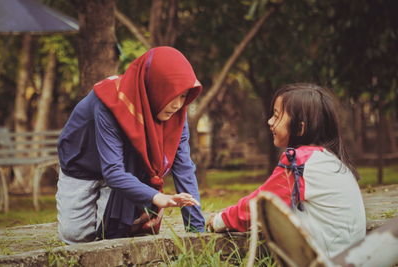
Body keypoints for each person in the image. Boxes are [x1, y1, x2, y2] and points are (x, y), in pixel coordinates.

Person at [56, 46, 205, 244]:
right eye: (172, 94)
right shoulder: (111, 102)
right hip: (83, 167)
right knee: (76, 237)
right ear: (155, 87)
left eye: (183, 96)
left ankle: (128, 222)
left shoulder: (177, 115)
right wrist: (155, 197)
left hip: (127, 169)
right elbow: (112, 171)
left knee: (110, 236)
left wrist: (196, 231)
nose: (178, 104)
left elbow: (184, 167)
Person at [207, 83, 366, 257]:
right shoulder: (329, 160)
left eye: (276, 116)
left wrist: (219, 220)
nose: (270, 121)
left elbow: (258, 205)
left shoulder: (300, 161)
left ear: (300, 127)